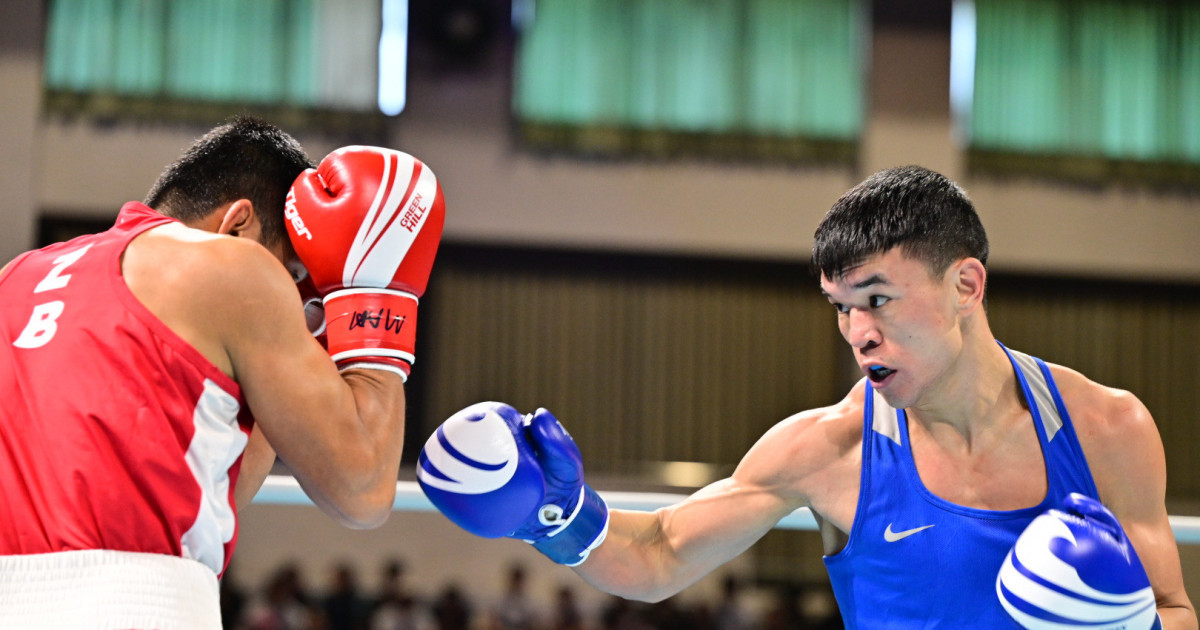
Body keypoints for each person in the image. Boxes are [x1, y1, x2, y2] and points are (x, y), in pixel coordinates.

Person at [417, 166, 1196, 628]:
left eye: (879, 299)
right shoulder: (829, 449)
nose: (857, 333)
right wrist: (557, 517)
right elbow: (659, 554)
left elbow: (1172, 605)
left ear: (965, 285)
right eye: (840, 307)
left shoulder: (1105, 427)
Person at [0, 116, 445, 627]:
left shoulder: (18, 276)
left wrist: (292, 362)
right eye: (294, 273)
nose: (294, 298)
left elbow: (217, 491)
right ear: (238, 224)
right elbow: (361, 491)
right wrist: (376, 306)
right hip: (136, 605)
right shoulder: (233, 266)